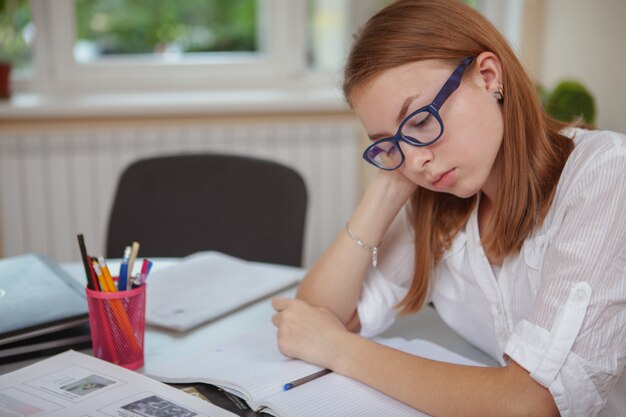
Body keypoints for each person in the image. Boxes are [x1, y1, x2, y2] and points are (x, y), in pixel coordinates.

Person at [270, 0, 626, 416]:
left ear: (488, 77)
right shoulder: (441, 203)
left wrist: (341, 351)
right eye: (388, 143)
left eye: (420, 121)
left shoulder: (605, 172)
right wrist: (390, 182)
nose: (414, 159)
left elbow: (534, 402)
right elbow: (315, 316)